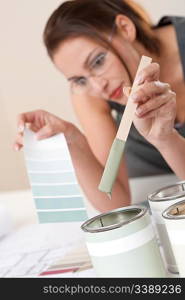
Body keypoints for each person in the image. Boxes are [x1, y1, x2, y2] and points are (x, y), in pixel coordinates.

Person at [14, 0, 185, 212]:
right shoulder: (90, 91)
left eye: (98, 61)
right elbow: (114, 201)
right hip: (159, 194)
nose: (97, 86)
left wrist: (165, 139)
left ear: (125, 28)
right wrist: (74, 141)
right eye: (79, 80)